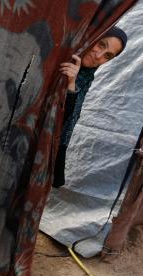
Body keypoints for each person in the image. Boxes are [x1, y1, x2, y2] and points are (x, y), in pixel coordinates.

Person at [53, 26, 128, 188]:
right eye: (101, 44)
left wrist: (71, 83)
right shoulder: (60, 53)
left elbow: (66, 119)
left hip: (50, 146)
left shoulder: (86, 77)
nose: (99, 55)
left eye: (107, 56)